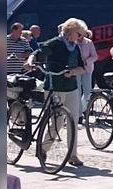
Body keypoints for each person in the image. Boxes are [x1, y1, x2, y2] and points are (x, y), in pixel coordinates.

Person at [23, 18, 88, 166]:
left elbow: (81, 67)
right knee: (57, 122)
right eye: (79, 34)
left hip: (71, 87)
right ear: (71, 31)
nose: (81, 38)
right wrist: (30, 61)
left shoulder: (75, 47)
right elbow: (38, 52)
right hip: (55, 85)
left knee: (73, 122)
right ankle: (43, 149)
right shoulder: (56, 43)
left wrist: (72, 72)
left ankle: (73, 154)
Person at [77, 29, 99, 124]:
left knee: (87, 92)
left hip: (87, 69)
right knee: (77, 92)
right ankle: (79, 115)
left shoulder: (89, 42)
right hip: (76, 70)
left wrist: (86, 61)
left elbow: (95, 56)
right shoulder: (73, 42)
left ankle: (82, 109)